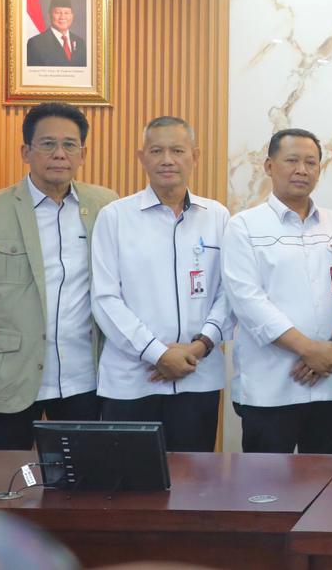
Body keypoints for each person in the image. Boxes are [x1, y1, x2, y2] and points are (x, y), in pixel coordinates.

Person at [0, 102, 118, 450]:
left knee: (83, 477)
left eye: (69, 145)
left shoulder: (105, 206)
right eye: (48, 144)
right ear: (26, 152)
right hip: (9, 378)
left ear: (83, 154)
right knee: (7, 477)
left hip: (86, 379)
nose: (59, 154)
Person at [222, 128, 332, 453]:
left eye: (311, 162)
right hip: (270, 388)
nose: (302, 170)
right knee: (267, 482)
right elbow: (248, 301)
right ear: (269, 166)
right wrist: (308, 350)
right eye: (292, 161)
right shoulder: (244, 226)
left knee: (329, 480)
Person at [90, 117, 231, 452]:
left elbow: (229, 293)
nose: (167, 160)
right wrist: (157, 353)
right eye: (157, 151)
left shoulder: (217, 216)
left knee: (194, 478)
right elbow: (105, 299)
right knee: (128, 479)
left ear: (195, 156)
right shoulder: (115, 216)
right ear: (142, 157)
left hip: (198, 375)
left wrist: (199, 346)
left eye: (177, 150)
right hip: (131, 381)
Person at [26, 0, 87, 67]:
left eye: (66, 13)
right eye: (57, 12)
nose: (62, 17)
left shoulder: (80, 43)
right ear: (50, 14)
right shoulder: (35, 44)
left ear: (72, 15)